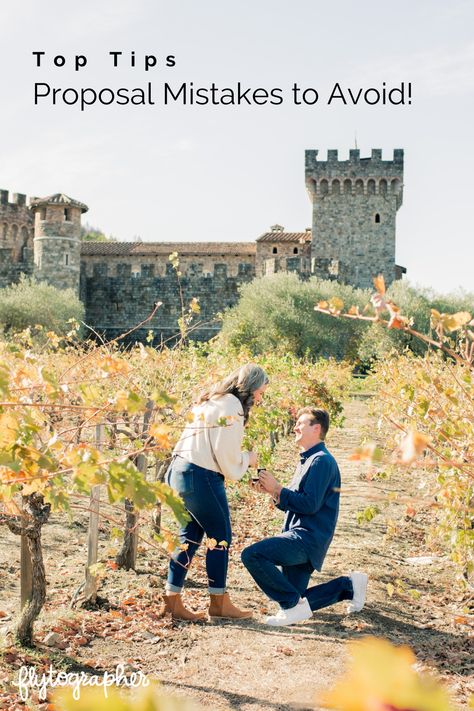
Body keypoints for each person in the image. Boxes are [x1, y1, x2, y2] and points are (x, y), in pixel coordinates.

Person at [241, 406, 368, 626]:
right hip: (298, 533)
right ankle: (349, 585)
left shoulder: (321, 461)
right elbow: (295, 502)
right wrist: (272, 491)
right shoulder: (307, 460)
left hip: (306, 538)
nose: (295, 427)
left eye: (301, 423)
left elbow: (309, 504)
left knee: (252, 555)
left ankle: (293, 605)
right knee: (294, 599)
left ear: (316, 428)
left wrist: (278, 488)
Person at [163, 363, 269, 621]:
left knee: (189, 537)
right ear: (252, 387)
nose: (260, 398)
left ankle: (172, 601)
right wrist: (248, 458)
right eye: (261, 392)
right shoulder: (232, 407)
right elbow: (227, 456)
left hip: (178, 470)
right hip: (201, 476)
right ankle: (218, 603)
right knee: (221, 536)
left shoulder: (210, 400)